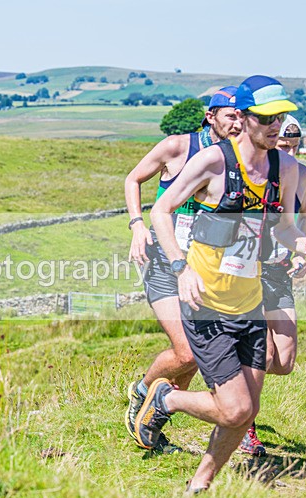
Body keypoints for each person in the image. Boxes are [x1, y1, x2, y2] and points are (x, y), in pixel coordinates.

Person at [137, 75, 306, 492]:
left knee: (246, 411)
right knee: (234, 410)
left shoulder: (286, 168)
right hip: (207, 304)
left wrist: (305, 243)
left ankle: (199, 487)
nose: (276, 126)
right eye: (267, 119)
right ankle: (166, 398)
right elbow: (162, 211)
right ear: (244, 117)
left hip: (249, 304)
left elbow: (286, 228)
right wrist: (182, 268)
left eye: (282, 118)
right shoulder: (213, 162)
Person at [123, 87, 245, 453]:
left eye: (243, 116)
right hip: (162, 260)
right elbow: (133, 179)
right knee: (187, 351)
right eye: (231, 115)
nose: (237, 122)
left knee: (191, 362)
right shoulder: (178, 146)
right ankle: (142, 392)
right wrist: (137, 224)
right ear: (211, 116)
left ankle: (152, 425)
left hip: (204, 267)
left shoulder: (236, 157)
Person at [243, 115, 306, 456]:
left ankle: (229, 382)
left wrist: (302, 251)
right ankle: (244, 422)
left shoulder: (300, 174)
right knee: (263, 353)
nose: (289, 152)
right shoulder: (255, 170)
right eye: (283, 146)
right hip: (246, 270)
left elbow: (304, 215)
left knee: (283, 361)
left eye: (295, 147)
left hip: (278, 269)